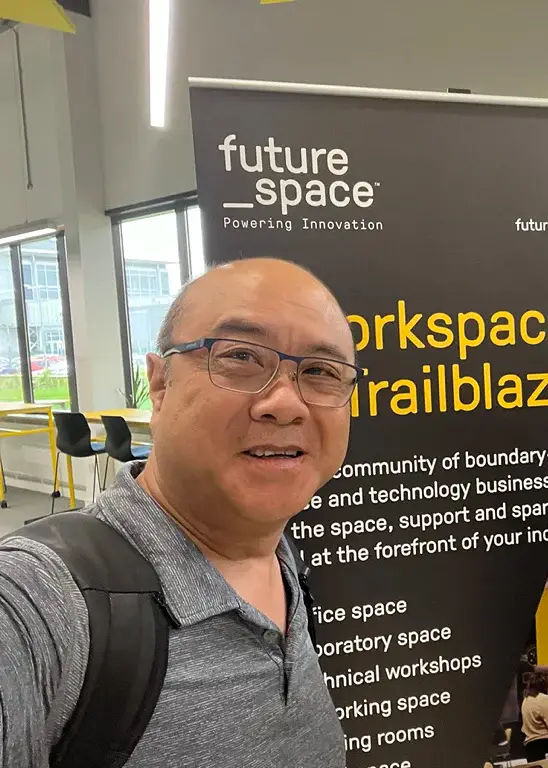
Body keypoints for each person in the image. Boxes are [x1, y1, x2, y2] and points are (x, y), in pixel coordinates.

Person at [0, 257, 359, 767]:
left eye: (321, 372)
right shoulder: (47, 603)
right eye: (239, 356)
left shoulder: (283, 564)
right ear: (160, 382)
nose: (286, 403)